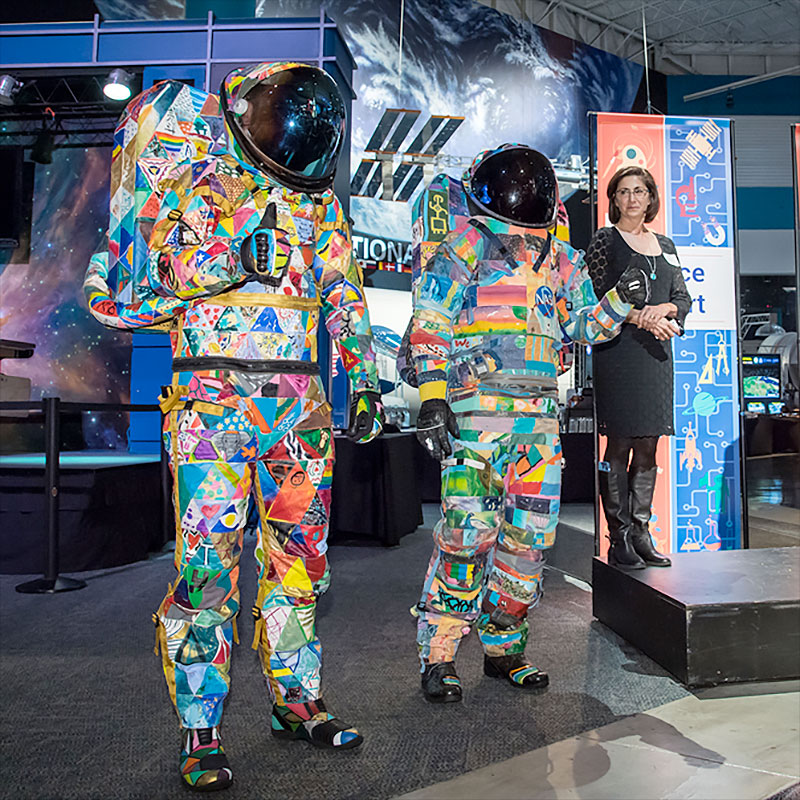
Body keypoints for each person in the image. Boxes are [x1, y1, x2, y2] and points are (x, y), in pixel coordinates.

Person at [84, 62, 384, 791]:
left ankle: (296, 698)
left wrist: (365, 376)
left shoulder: (318, 207)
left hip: (298, 408)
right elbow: (128, 289)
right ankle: (201, 724)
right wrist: (225, 259)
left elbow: (343, 291)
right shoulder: (194, 184)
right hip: (211, 401)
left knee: (299, 563)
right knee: (208, 567)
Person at [408, 144, 648, 703]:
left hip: (538, 425)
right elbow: (431, 321)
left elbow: (585, 325)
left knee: (529, 541)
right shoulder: (464, 242)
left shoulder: (559, 258)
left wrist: (618, 301)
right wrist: (434, 396)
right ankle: (440, 654)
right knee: (466, 538)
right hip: (475, 419)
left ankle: (504, 647)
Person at [585, 166, 692, 570]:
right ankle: (619, 538)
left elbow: (682, 296)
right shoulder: (604, 240)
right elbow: (594, 296)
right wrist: (638, 317)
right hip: (619, 352)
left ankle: (642, 532)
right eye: (624, 192)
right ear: (613, 199)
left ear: (651, 198)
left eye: (639, 191)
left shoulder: (665, 243)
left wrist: (666, 310)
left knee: (650, 444)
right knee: (621, 444)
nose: (632, 199)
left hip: (657, 354)